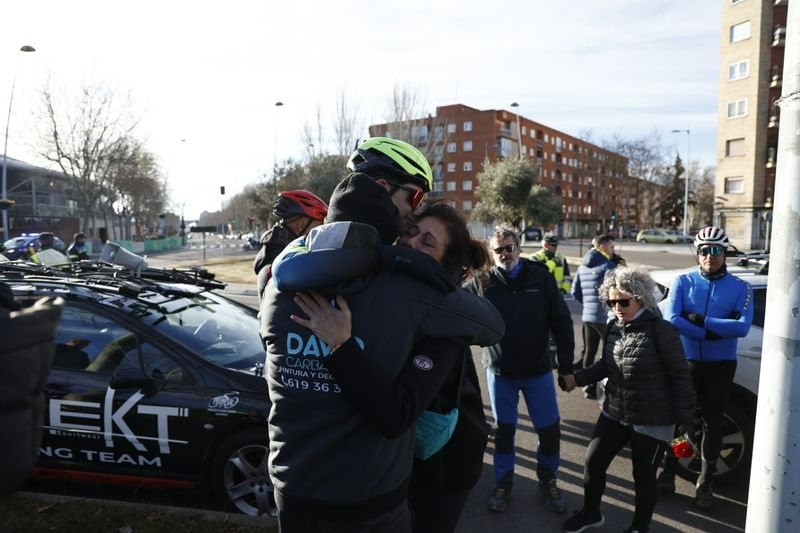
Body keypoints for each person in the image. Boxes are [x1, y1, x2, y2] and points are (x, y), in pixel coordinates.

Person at [260, 137, 504, 533]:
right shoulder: (409, 291)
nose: (413, 214)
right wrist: (401, 263)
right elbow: (492, 325)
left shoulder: (277, 282)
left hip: (293, 490)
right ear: (383, 190)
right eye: (415, 197)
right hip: (369, 501)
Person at [287, 203, 493, 533]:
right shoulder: (391, 292)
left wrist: (341, 344)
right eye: (411, 232)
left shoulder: (446, 322)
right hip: (402, 462)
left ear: (444, 265)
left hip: (443, 468)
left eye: (427, 243)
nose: (411, 243)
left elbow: (395, 413)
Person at [561, 266, 696, 533]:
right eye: (611, 302)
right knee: (593, 461)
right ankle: (591, 514)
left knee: (643, 477)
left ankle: (639, 527)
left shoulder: (661, 331)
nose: (617, 307)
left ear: (641, 297)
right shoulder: (614, 326)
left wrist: (684, 421)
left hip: (652, 419)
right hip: (616, 411)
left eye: (624, 301)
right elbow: (606, 365)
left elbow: (681, 376)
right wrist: (577, 378)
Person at [465, 227, 575, 515]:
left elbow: (562, 322)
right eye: (499, 250)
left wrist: (566, 367)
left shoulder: (540, 276)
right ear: (492, 253)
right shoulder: (483, 281)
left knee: (549, 430)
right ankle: (503, 483)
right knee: (504, 432)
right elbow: (454, 305)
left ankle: (548, 479)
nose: (505, 254)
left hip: (537, 371)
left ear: (518, 247)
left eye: (510, 248)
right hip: (501, 373)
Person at [657, 226, 753, 510]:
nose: (710, 256)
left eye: (716, 251)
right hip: (687, 363)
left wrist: (698, 320)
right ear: (697, 254)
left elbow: (743, 327)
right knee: (679, 420)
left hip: (721, 366)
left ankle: (706, 480)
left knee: (713, 423)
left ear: (725, 254)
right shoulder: (683, 281)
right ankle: (670, 469)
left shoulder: (741, 287)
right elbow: (673, 317)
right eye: (704, 251)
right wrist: (715, 330)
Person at [252, 189, 328, 298]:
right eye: (320, 226)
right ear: (301, 226)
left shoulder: (276, 252)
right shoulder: (288, 266)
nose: (323, 231)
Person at [571, 234, 617, 399]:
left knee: (589, 352)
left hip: (587, 316)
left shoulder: (583, 266)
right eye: (612, 247)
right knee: (611, 352)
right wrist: (601, 306)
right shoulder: (608, 265)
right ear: (603, 247)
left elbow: (574, 291)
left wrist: (589, 305)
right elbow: (612, 293)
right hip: (603, 317)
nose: (614, 250)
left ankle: (587, 386)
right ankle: (610, 387)